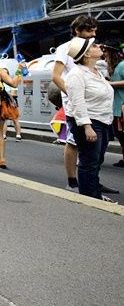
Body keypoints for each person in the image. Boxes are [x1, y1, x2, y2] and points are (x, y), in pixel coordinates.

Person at [52, 16, 99, 191]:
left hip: (92, 102)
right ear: (77, 30)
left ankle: (93, 181)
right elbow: (56, 76)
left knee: (93, 145)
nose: (93, 34)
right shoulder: (65, 48)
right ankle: (72, 181)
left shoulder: (93, 48)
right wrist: (73, 94)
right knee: (73, 141)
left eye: (94, 31)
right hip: (75, 102)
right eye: (89, 31)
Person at [65, 38, 115, 200]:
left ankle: (94, 193)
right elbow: (77, 102)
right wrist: (87, 126)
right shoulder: (76, 74)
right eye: (94, 45)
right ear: (86, 54)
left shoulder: (96, 71)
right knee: (89, 161)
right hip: (89, 122)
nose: (100, 46)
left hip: (103, 121)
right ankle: (90, 197)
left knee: (97, 159)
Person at [104, 43, 124, 168]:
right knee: (121, 136)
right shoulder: (114, 67)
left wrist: (109, 84)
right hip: (116, 107)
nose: (103, 54)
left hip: (122, 107)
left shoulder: (122, 65)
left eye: (105, 51)